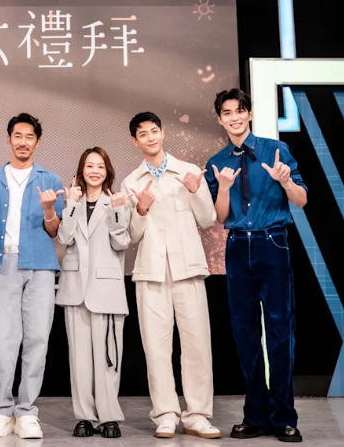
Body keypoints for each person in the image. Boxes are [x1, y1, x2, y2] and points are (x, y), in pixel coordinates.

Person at [205, 90, 307, 443]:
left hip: (272, 243)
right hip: (237, 247)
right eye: (227, 113)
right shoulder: (217, 161)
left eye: (239, 111)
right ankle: (255, 415)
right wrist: (224, 187)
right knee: (245, 332)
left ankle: (284, 417)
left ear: (249, 114)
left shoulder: (275, 150)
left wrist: (285, 181)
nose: (234, 118)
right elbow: (220, 217)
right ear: (219, 119)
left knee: (280, 331)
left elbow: (302, 199)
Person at [123, 112, 221, 440]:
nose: (151, 137)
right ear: (134, 141)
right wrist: (141, 209)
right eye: (143, 134)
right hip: (151, 272)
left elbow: (207, 219)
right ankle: (165, 414)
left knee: (197, 345)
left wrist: (196, 191)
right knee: (156, 348)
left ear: (163, 133)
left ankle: (198, 415)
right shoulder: (131, 182)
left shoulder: (189, 171)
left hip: (187, 268)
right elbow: (132, 235)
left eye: (155, 131)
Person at [0, 113, 64, 439]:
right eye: (18, 135)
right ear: (9, 139)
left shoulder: (50, 179)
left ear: (37, 142)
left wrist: (49, 210)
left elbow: (54, 231)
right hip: (5, 265)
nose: (23, 142)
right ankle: (1, 410)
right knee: (1, 340)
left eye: (29, 137)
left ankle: (27, 411)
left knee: (38, 339)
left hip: (41, 266)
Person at [56, 147, 131, 439]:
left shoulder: (116, 202)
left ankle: (109, 417)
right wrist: (70, 204)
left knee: (108, 358)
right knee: (79, 359)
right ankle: (85, 416)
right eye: (90, 166)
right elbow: (64, 237)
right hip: (75, 289)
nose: (95, 171)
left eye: (100, 166)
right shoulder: (72, 203)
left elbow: (121, 243)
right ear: (81, 171)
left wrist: (117, 211)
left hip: (106, 290)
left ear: (107, 171)